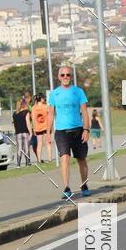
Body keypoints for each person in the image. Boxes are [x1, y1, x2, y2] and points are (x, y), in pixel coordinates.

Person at [47, 65, 91, 200]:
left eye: (68, 75)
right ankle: (66, 188)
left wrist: (86, 129)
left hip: (78, 130)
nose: (65, 77)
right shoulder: (54, 94)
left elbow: (84, 112)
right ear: (59, 77)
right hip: (61, 132)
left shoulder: (78, 92)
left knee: (81, 159)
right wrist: (48, 132)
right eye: (63, 75)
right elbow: (51, 114)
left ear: (71, 77)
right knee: (64, 157)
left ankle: (84, 185)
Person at [30, 94, 52, 162]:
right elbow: (49, 116)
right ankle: (49, 159)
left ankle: (39, 160)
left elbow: (33, 119)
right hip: (46, 127)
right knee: (48, 143)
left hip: (38, 128)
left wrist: (34, 129)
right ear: (41, 99)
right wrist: (50, 127)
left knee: (39, 144)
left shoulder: (33, 108)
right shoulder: (46, 106)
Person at [12, 96, 32, 167]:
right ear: (23, 104)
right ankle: (28, 163)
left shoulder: (14, 114)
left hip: (18, 133)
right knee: (26, 148)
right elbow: (28, 123)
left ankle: (18, 164)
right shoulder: (26, 112)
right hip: (25, 132)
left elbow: (14, 124)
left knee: (19, 148)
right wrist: (31, 133)